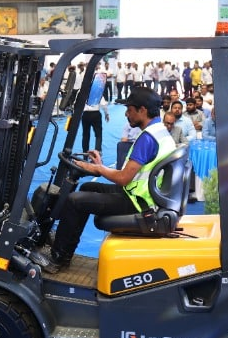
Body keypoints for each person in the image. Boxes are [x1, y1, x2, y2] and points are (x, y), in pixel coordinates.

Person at [35, 87, 176, 273]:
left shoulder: (148, 138)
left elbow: (124, 178)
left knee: (74, 201)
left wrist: (97, 168)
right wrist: (100, 166)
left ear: (142, 110)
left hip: (140, 202)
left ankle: (58, 257)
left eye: (130, 109)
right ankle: (64, 248)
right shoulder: (159, 132)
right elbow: (132, 174)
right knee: (87, 186)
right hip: (143, 195)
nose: (126, 114)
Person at [81, 67, 110, 154]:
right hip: (95, 114)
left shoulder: (81, 91)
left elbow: (77, 104)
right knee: (98, 134)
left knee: (85, 135)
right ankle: (98, 152)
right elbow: (104, 104)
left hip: (85, 115)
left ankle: (85, 154)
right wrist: (106, 114)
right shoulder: (98, 90)